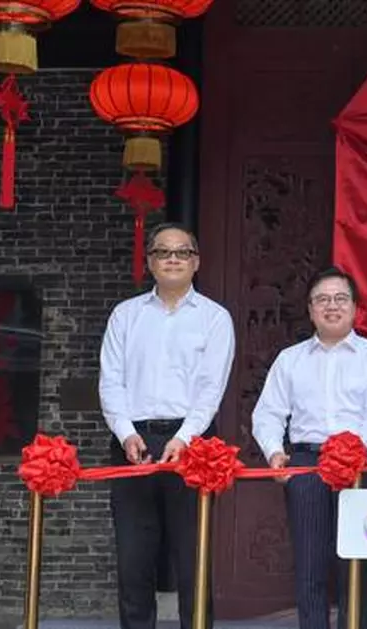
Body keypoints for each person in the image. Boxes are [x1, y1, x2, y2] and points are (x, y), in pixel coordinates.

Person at [99, 222, 235, 629]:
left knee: (193, 562)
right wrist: (126, 433)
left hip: (192, 445)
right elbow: (110, 380)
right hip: (132, 444)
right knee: (133, 561)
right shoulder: (125, 315)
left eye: (182, 252)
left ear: (196, 262)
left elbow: (211, 389)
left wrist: (182, 438)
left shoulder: (214, 318)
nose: (172, 259)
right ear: (150, 262)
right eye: (163, 252)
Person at [251, 267, 367, 629]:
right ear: (311, 309)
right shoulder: (291, 359)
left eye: (340, 299)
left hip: (359, 465)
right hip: (305, 465)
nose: (332, 306)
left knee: (355, 567)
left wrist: (349, 452)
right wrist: (274, 453)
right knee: (309, 565)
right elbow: (267, 413)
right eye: (323, 300)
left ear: (354, 308)